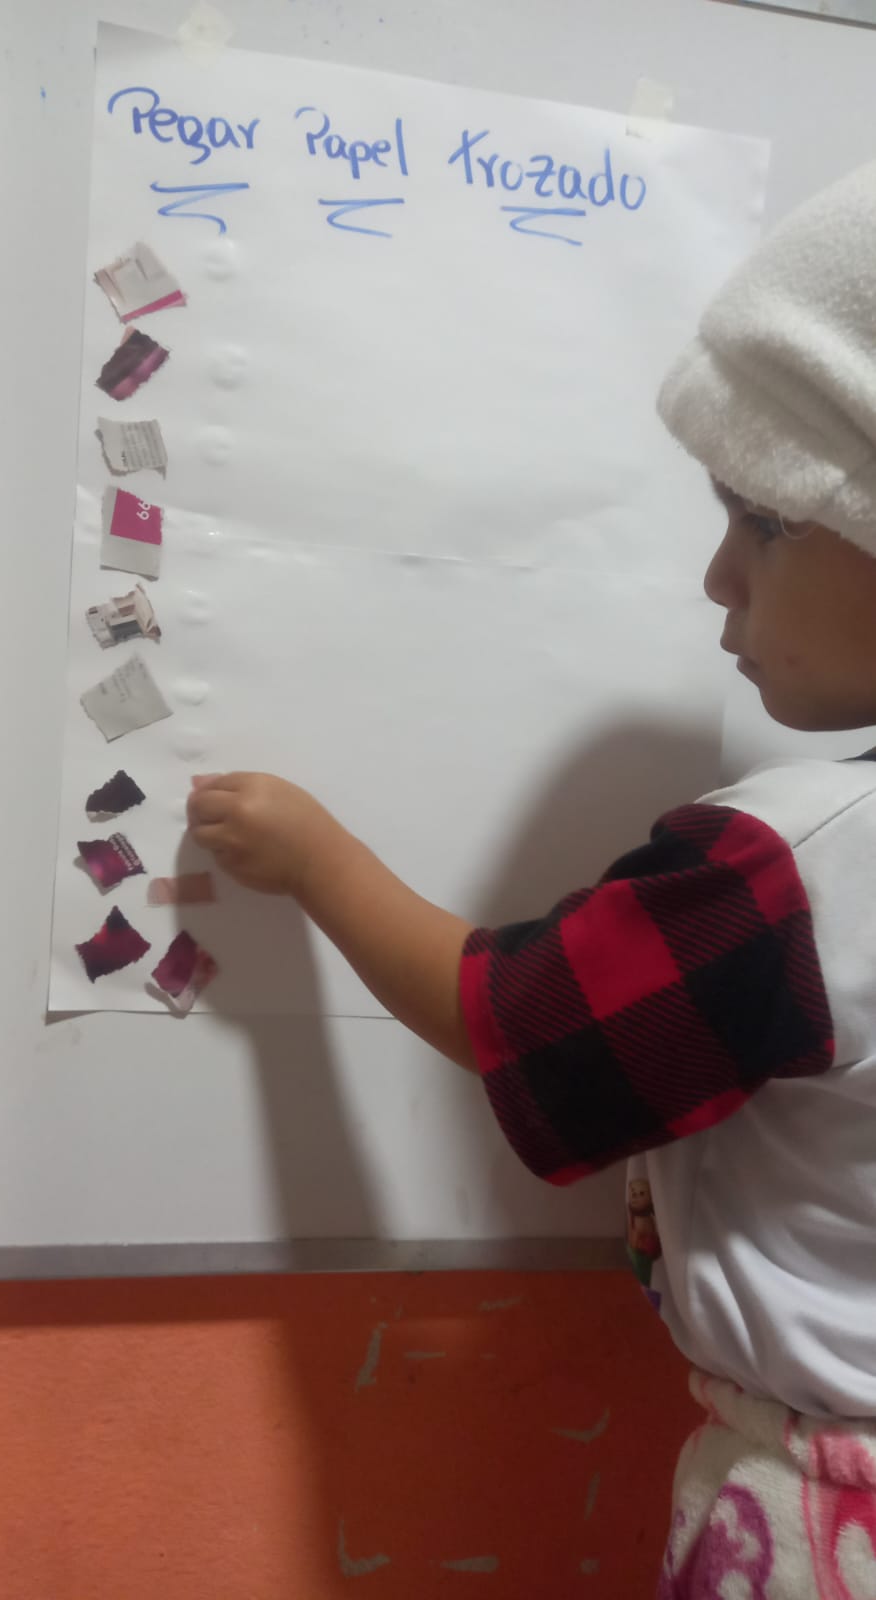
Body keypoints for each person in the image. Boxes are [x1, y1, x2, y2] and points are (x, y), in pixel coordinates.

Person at [187, 160, 876, 1596]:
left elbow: (520, 1018)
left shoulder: (788, 868)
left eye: (763, 521)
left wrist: (316, 858)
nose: (718, 579)